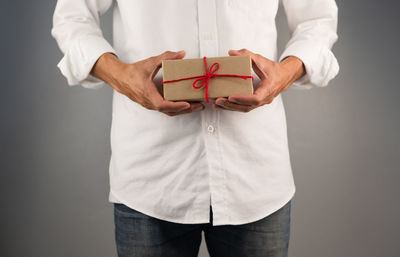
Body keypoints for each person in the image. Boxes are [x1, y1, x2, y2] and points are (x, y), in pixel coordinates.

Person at [51, 0, 339, 256]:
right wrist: (121, 75)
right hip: (150, 178)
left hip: (254, 176)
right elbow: (72, 18)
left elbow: (317, 20)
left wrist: (285, 73)